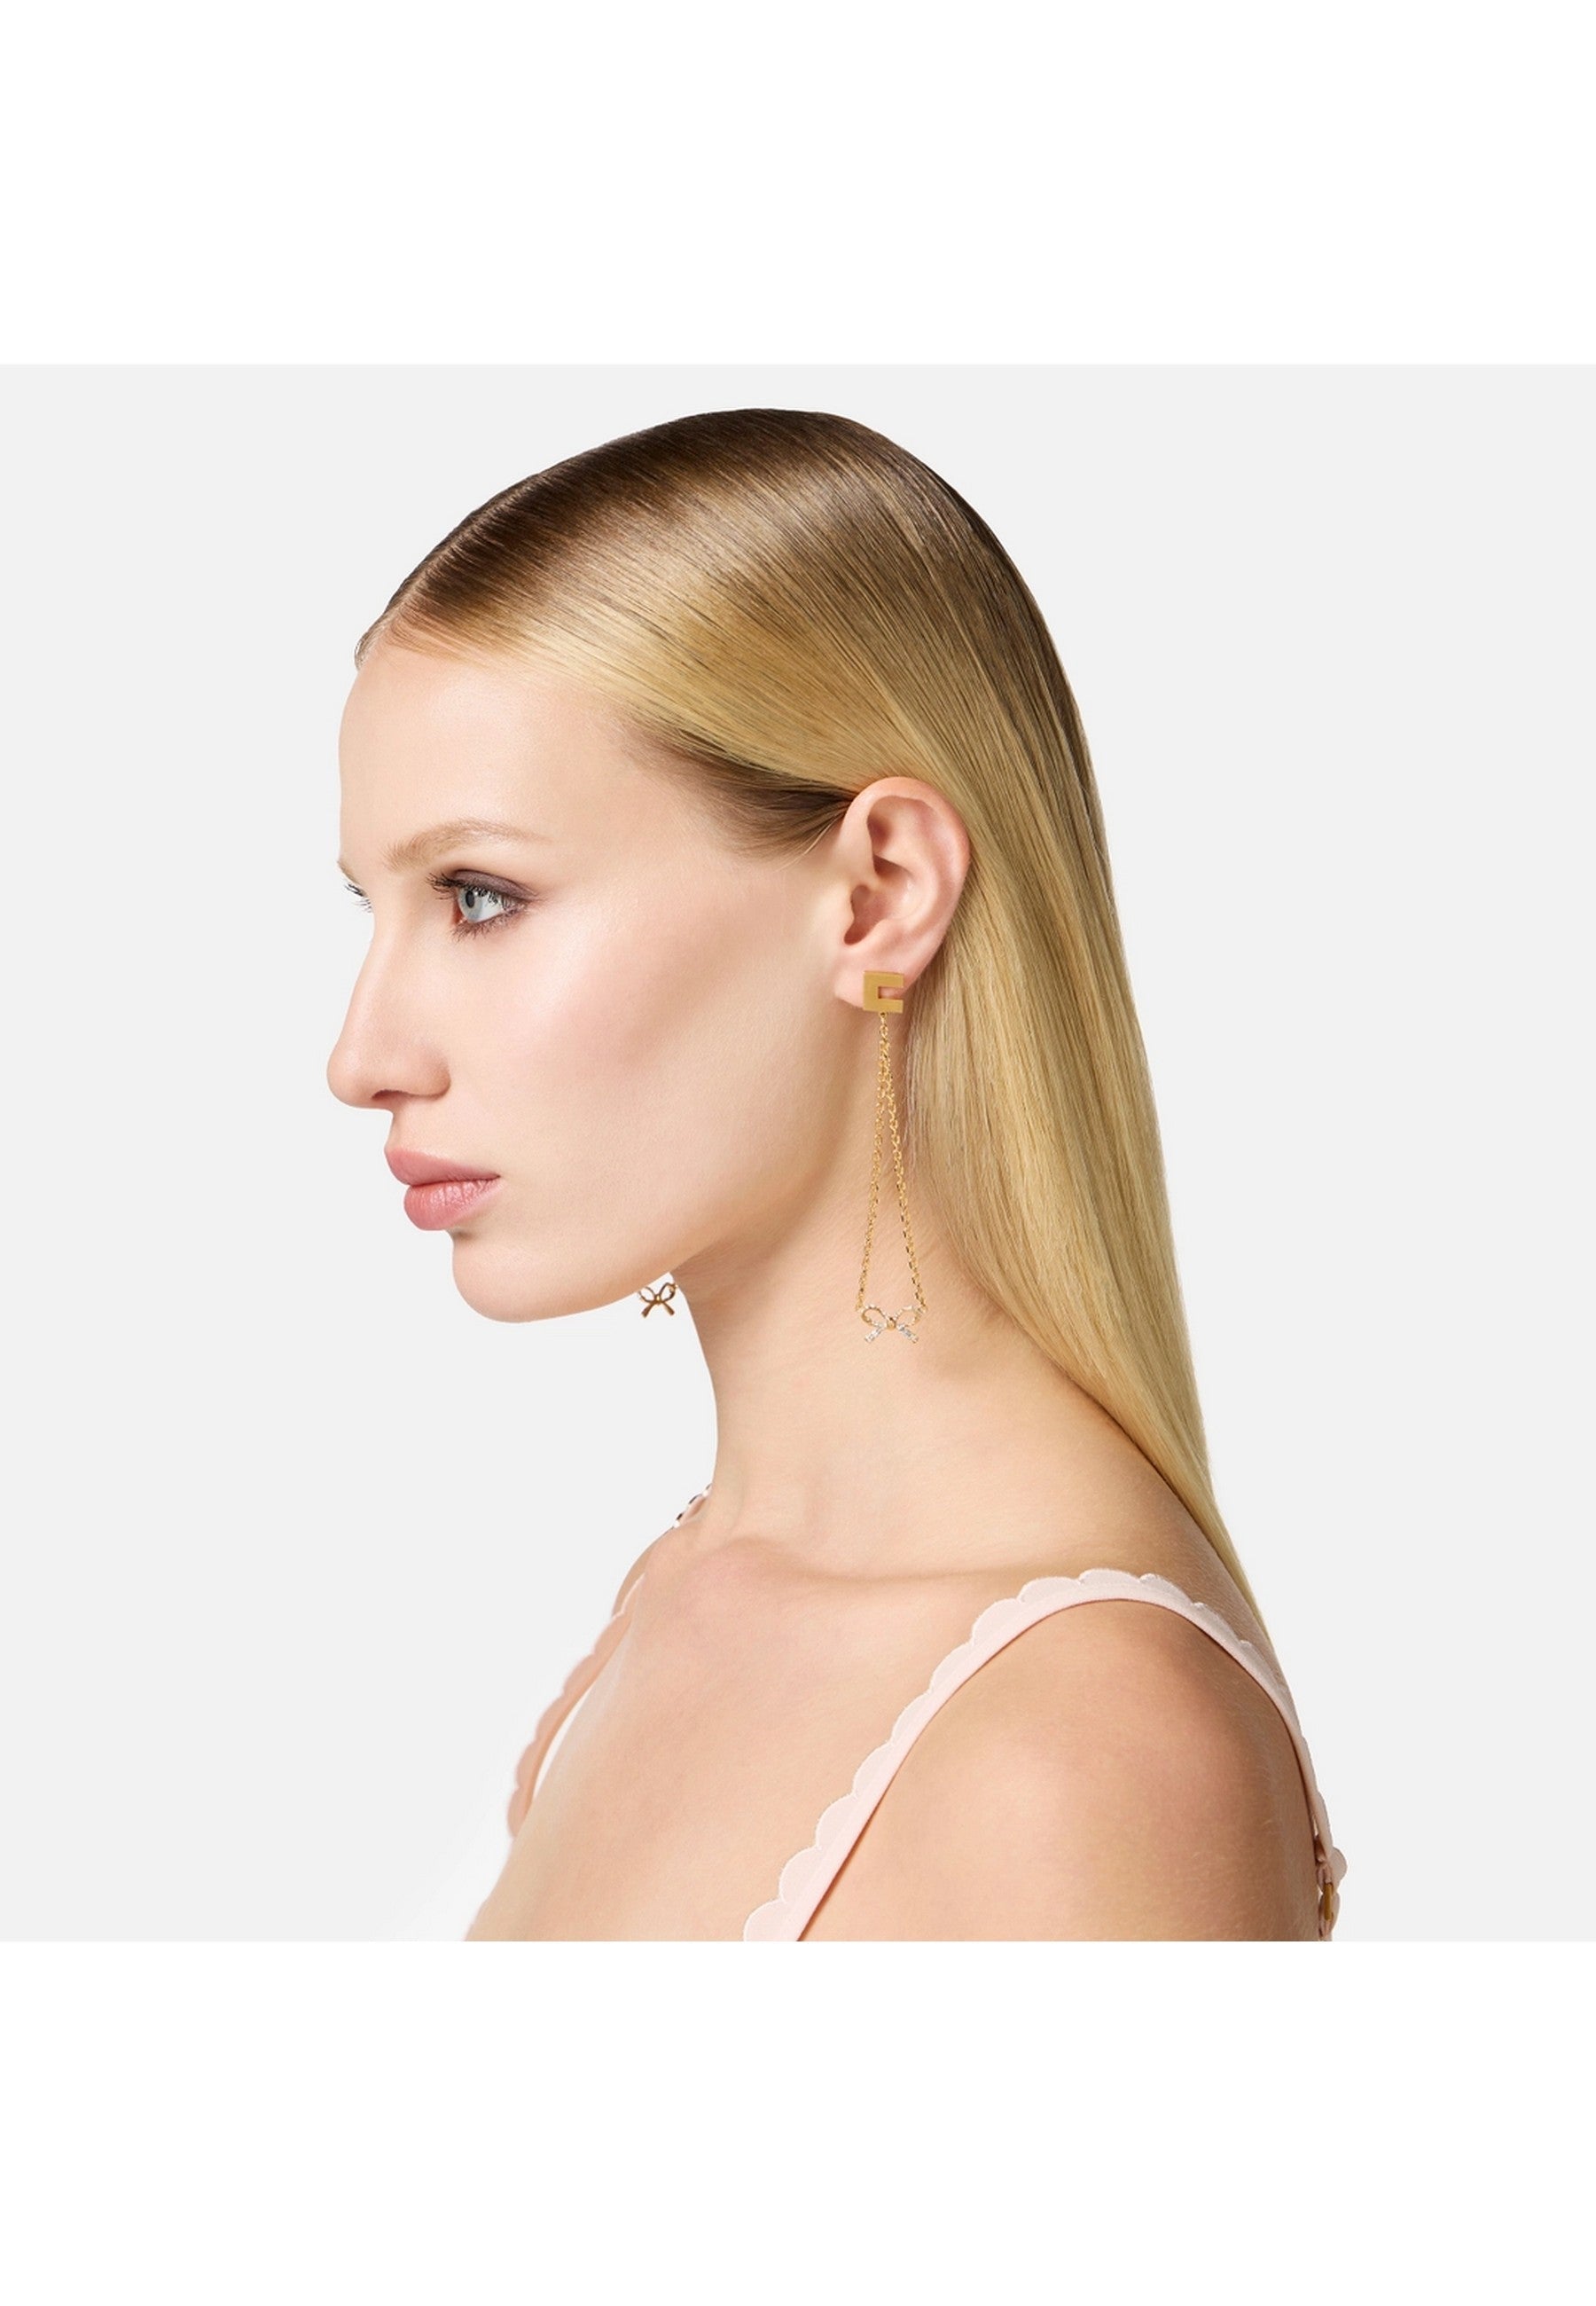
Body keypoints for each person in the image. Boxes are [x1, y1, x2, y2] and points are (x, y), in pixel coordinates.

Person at [327, 407, 1347, 1941]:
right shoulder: (680, 1596)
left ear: (881, 895)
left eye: (481, 895)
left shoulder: (1078, 1755)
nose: (363, 1057)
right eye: (374, 906)